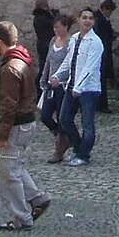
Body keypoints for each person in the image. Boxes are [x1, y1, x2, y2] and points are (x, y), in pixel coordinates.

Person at [0, 20, 51, 231]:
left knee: (7, 174)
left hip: (16, 125)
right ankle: (38, 198)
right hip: (27, 122)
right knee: (16, 167)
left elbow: (9, 105)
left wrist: (1, 134)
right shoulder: (23, 59)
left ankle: (21, 217)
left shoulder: (10, 68)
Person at [60, 6, 104, 167]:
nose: (87, 21)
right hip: (72, 85)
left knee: (87, 123)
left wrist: (79, 87)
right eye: (84, 18)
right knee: (64, 119)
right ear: (79, 20)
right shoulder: (74, 39)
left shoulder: (95, 42)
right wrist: (57, 76)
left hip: (88, 89)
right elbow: (69, 61)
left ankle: (84, 155)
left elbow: (89, 67)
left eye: (90, 18)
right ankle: (78, 147)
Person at [40, 13, 75, 163]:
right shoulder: (53, 41)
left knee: (62, 116)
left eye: (58, 27)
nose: (55, 30)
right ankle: (63, 136)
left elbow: (70, 64)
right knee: (45, 116)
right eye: (54, 27)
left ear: (65, 27)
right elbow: (48, 61)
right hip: (50, 84)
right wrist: (43, 78)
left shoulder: (71, 42)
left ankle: (59, 146)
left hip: (63, 85)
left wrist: (63, 79)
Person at [93, 0, 118, 112]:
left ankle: (100, 103)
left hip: (102, 52)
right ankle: (101, 104)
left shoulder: (101, 18)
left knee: (100, 79)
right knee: (100, 79)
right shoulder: (99, 19)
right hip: (101, 53)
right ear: (104, 9)